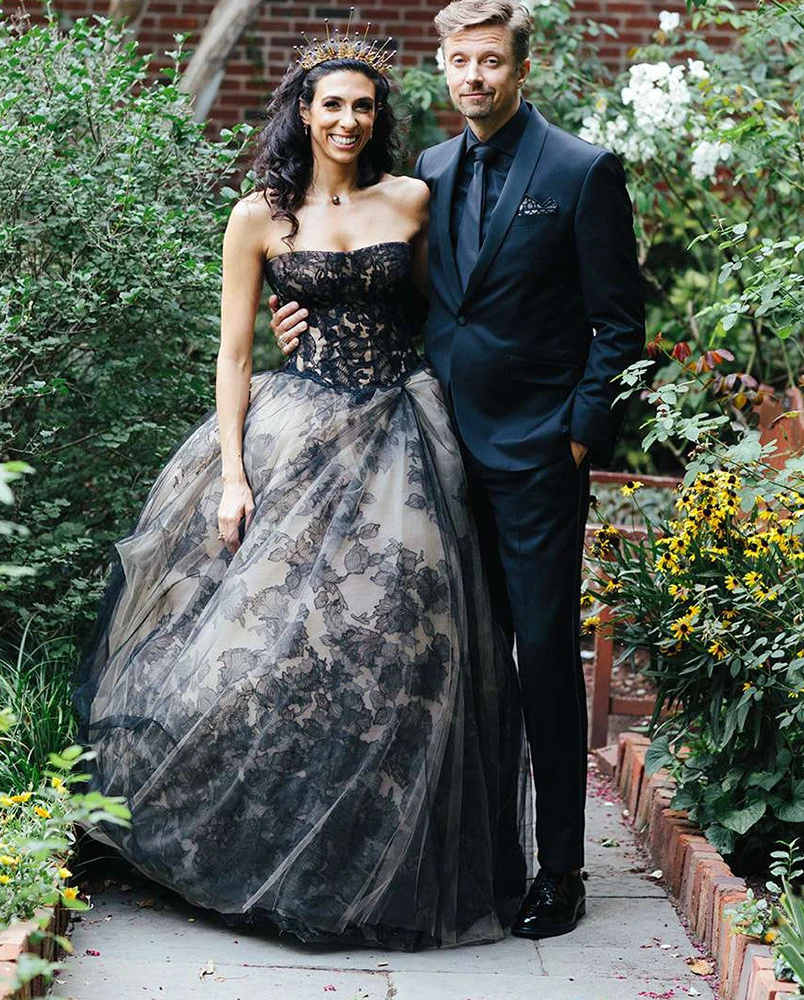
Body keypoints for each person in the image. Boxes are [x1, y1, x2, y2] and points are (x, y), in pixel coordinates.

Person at [72, 25, 531, 950]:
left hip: (402, 432)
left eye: (364, 106)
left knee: (399, 646)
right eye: (333, 104)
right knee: (260, 648)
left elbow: (444, 316)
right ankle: (260, 852)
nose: (349, 120)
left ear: (378, 117)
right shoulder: (260, 217)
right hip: (293, 435)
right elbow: (234, 352)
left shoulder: (412, 199)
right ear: (304, 112)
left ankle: (375, 864)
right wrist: (233, 476)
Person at [270, 0, 646, 940]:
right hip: (428, 447)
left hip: (533, 457)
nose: (473, 76)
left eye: (490, 61)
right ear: (444, 69)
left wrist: (579, 435)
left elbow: (620, 324)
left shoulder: (580, 171)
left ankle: (561, 867)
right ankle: (483, 858)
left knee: (542, 656)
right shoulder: (426, 175)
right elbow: (400, 294)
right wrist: (306, 325)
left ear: (521, 69)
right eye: (459, 61)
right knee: (444, 653)